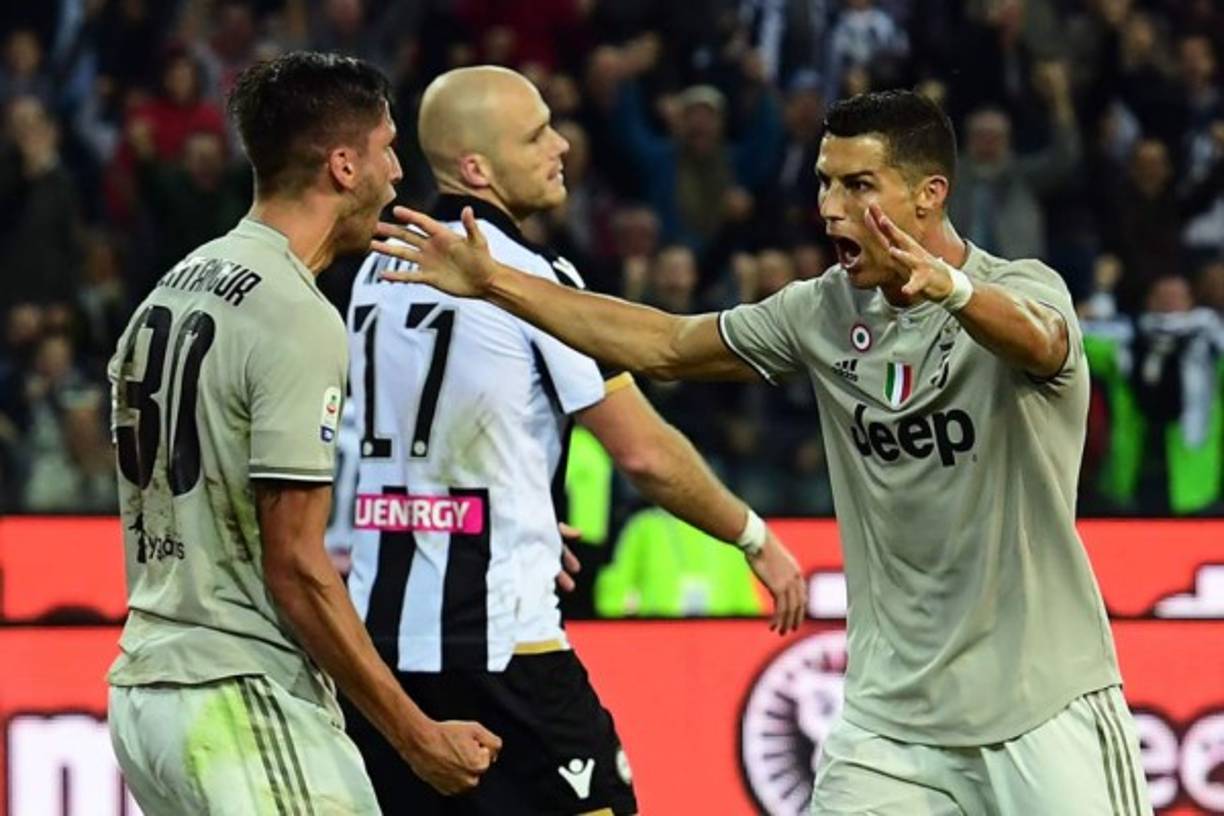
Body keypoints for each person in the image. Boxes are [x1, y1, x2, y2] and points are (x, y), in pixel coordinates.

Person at [375, 89, 1153, 815]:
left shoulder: (1021, 286)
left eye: (858, 186)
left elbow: (1042, 341)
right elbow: (665, 344)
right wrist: (496, 282)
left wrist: (950, 289)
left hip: (1040, 702)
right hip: (892, 721)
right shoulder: (820, 311)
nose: (831, 208)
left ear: (930, 195)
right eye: (824, 183)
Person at [343, 65, 807, 816]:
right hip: (505, 648)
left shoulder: (373, 272)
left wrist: (514, 512)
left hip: (385, 654)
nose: (561, 146)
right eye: (536, 136)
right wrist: (752, 536)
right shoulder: (528, 277)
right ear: (477, 169)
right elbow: (644, 453)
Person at [105, 52, 501, 815]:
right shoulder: (294, 315)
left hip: (150, 692)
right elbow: (295, 563)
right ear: (344, 166)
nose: (398, 174)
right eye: (387, 148)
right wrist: (415, 734)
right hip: (238, 693)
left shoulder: (174, 286)